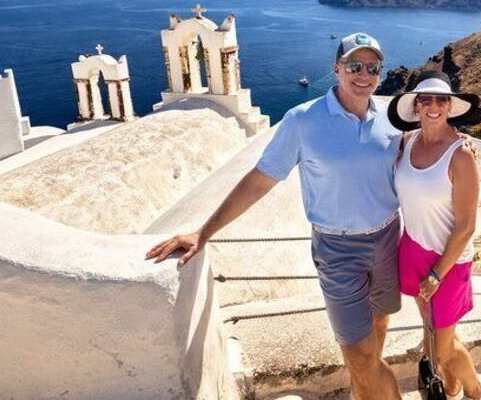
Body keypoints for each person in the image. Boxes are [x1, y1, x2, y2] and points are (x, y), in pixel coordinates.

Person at [146, 32, 404, 400]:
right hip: (338, 250)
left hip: (389, 239)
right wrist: (204, 232)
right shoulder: (303, 120)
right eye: (354, 66)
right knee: (361, 356)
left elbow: (420, 156)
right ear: (337, 68)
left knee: (378, 328)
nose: (363, 75)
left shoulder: (391, 118)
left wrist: (460, 152)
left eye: (372, 68)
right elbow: (258, 181)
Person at [388, 71, 481, 400]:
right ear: (416, 106)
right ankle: (451, 387)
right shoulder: (407, 142)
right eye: (426, 99)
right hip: (414, 248)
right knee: (432, 328)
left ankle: (477, 392)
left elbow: (466, 225)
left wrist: (436, 274)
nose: (433, 106)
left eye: (441, 100)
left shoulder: (461, 155)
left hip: (448, 261)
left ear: (449, 107)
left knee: (442, 348)